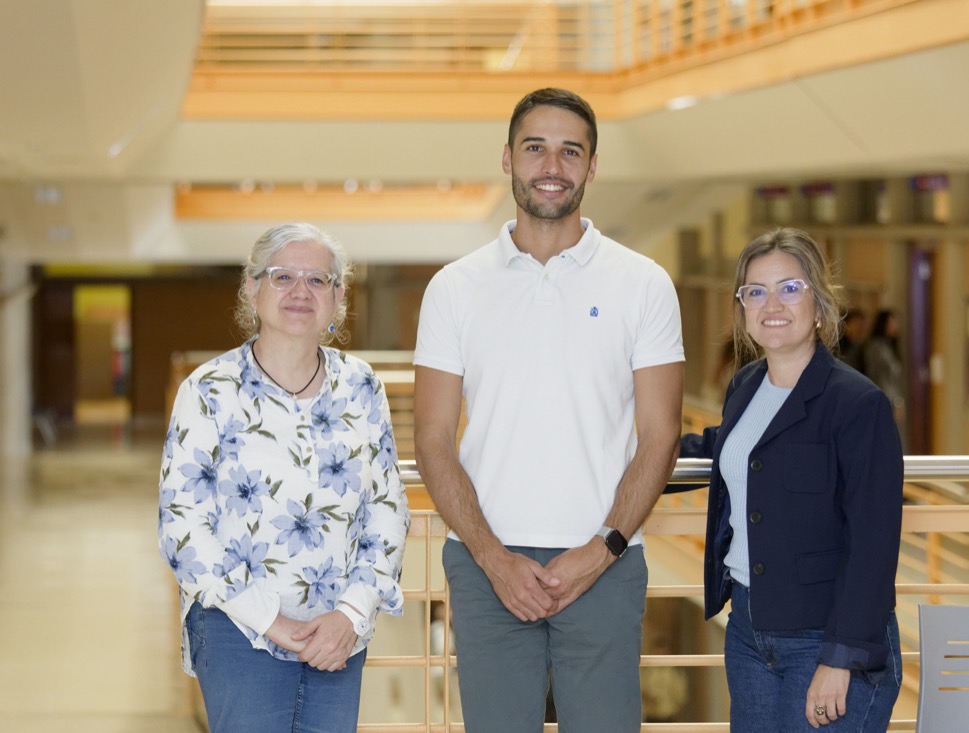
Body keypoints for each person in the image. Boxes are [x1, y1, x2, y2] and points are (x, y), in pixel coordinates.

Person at [413, 87, 685, 732]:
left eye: (571, 151)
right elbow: (431, 439)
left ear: (592, 167)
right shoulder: (454, 287)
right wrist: (492, 556)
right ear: (507, 158)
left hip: (607, 562)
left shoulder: (642, 282)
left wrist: (602, 548)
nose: (552, 166)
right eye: (536, 148)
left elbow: (660, 436)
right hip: (486, 566)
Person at [158, 223, 410, 733]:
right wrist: (273, 621)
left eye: (318, 280)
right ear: (252, 288)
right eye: (283, 277)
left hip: (338, 632)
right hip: (237, 626)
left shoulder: (362, 386)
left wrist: (351, 613)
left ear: (338, 298)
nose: (301, 291)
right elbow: (183, 528)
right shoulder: (208, 390)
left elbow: (388, 508)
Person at [674, 228, 903, 732]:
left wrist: (839, 659)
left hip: (826, 638)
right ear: (742, 309)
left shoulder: (858, 405)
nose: (771, 303)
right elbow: (730, 450)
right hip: (750, 633)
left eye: (789, 288)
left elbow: (873, 544)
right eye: (755, 291)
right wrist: (640, 454)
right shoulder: (746, 385)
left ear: (818, 304)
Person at [863, 308, 906, 439]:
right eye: (891, 322)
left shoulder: (888, 347)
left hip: (891, 398)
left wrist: (898, 401)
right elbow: (878, 376)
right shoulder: (875, 347)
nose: (895, 326)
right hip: (882, 398)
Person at [836, 307, 867, 374]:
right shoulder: (839, 347)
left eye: (862, 325)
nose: (860, 329)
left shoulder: (860, 348)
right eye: (857, 325)